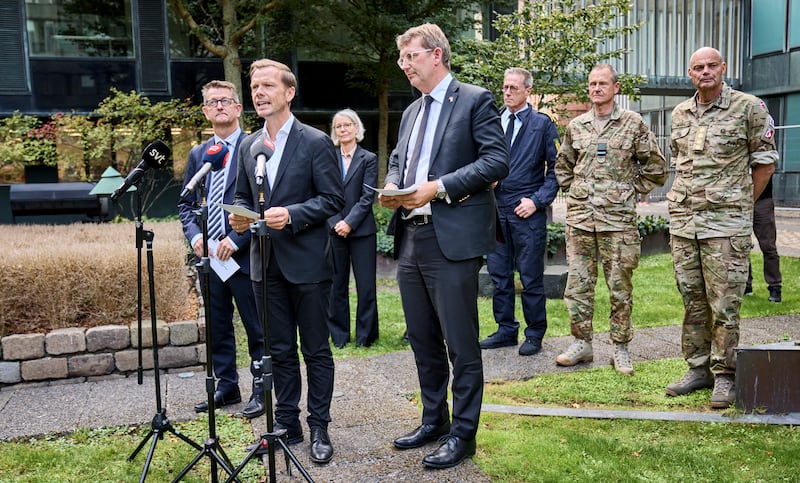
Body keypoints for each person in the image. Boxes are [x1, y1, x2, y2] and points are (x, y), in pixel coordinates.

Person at [379, 23, 508, 470]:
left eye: (410, 56)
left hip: (451, 239)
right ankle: (433, 420)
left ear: (436, 55)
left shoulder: (474, 99)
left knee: (460, 344)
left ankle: (463, 435)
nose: (405, 65)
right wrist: (394, 183)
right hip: (411, 237)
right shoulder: (413, 111)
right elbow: (399, 158)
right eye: (402, 58)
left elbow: (496, 161)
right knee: (422, 340)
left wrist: (438, 187)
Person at [229, 59, 344, 464]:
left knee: (315, 349)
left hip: (308, 263)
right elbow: (240, 194)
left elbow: (333, 199)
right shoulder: (248, 145)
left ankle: (319, 428)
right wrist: (239, 217)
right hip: (264, 264)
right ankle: (287, 424)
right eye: (254, 87)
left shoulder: (315, 142)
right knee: (278, 350)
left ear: (289, 93)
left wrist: (293, 214)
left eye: (267, 86)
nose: (258, 93)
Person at [665, 47, 777, 408]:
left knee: (725, 305)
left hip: (726, 226)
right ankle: (697, 369)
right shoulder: (680, 113)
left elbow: (764, 163)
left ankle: (725, 375)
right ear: (690, 73)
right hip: (685, 225)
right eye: (698, 67)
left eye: (712, 65)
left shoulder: (748, 107)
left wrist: (741, 204)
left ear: (724, 68)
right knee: (693, 301)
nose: (706, 71)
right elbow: (680, 162)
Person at [554, 64, 667, 375]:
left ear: (616, 88)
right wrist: (577, 191)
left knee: (619, 288)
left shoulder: (632, 124)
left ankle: (620, 348)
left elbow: (657, 168)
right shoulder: (576, 126)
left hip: (617, 224)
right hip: (580, 222)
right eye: (592, 84)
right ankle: (582, 343)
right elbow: (563, 166)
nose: (596, 88)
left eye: (602, 83)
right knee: (577, 286)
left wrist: (629, 190)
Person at [177, 80, 265, 418]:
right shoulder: (199, 154)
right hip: (209, 257)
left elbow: (264, 202)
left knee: (257, 326)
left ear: (239, 108)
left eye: (226, 101)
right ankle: (226, 387)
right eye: (212, 102)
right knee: (217, 326)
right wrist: (195, 235)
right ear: (204, 111)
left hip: (244, 256)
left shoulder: (255, 146)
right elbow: (185, 204)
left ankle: (261, 388)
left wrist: (236, 239)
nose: (219, 107)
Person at [480, 67, 560, 356]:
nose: (508, 92)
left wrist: (537, 201)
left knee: (530, 276)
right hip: (496, 210)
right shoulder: (492, 121)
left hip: (526, 211)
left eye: (514, 87)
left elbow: (557, 170)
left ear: (528, 91)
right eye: (504, 87)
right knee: (499, 275)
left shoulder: (542, 124)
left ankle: (535, 332)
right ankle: (505, 330)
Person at [327, 109, 379, 348]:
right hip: (334, 229)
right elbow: (325, 193)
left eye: (348, 125)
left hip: (362, 232)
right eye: (339, 126)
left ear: (357, 128)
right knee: (337, 284)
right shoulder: (328, 158)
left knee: (366, 285)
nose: (343, 129)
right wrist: (337, 221)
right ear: (335, 132)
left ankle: (366, 336)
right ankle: (339, 336)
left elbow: (368, 196)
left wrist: (349, 222)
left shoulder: (368, 158)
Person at [745, 177, 782, 302]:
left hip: (762, 200)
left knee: (768, 246)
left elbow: (767, 169)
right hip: (739, 201)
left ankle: (775, 287)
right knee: (741, 245)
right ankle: (745, 285)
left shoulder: (762, 157)